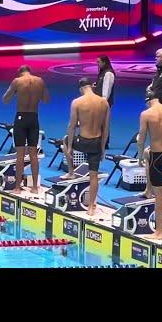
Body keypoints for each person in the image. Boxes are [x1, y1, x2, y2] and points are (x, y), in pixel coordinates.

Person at [63, 77, 110, 217]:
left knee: (65, 140)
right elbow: (106, 129)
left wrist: (70, 146)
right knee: (93, 176)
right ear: (91, 86)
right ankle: (91, 207)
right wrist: (102, 149)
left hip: (82, 141)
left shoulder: (77, 102)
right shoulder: (104, 102)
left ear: (81, 89)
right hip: (96, 142)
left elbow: (71, 126)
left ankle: (71, 172)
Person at [2, 65, 50, 194]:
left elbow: (5, 99)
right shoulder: (40, 81)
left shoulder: (17, 81)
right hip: (34, 118)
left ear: (20, 73)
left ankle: (17, 187)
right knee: (34, 155)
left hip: (21, 118)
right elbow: (46, 100)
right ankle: (35, 187)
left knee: (20, 155)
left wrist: (16, 92)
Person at [137, 89, 162, 239]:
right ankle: (148, 189)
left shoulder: (146, 114)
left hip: (157, 156)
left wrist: (140, 156)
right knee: (150, 155)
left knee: (159, 196)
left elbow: (141, 139)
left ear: (148, 102)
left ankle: (159, 232)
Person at [93, 54, 115, 148]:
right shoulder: (102, 72)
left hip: (104, 103)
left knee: (104, 123)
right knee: (99, 122)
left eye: (98, 62)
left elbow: (107, 89)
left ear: (104, 62)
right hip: (99, 102)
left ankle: (104, 143)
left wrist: (103, 103)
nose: (97, 64)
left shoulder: (108, 74)